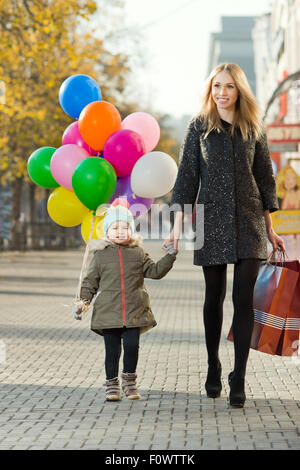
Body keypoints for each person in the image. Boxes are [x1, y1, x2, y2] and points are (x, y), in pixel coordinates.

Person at [163, 63, 285, 408]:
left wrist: (271, 229)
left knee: (243, 299)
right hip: (211, 219)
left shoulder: (253, 128)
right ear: (210, 89)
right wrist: (175, 229)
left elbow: (265, 180)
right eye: (217, 86)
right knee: (213, 296)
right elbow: (186, 180)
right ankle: (213, 364)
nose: (222, 93)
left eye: (229, 87)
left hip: (249, 220)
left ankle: (240, 378)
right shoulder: (198, 127)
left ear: (239, 90)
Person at [73, 205, 177, 401]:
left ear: (131, 230)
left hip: (134, 311)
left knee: (131, 347)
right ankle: (112, 385)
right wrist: (83, 302)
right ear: (107, 232)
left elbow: (155, 272)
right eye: (115, 228)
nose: (120, 232)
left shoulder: (138, 253)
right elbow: (90, 282)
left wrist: (170, 256)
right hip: (108, 313)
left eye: (124, 227)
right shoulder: (100, 255)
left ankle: (129, 382)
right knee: (112, 351)